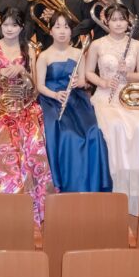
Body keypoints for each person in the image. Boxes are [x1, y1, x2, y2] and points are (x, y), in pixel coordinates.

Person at [0, 8, 55, 223]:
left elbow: (34, 86)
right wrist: (1, 72)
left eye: (14, 25)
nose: (9, 29)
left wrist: (22, 72)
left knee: (32, 142)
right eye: (6, 25)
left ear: (21, 27)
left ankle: (30, 204)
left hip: (23, 105)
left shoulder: (29, 49)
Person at [86, 4, 139, 215]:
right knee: (114, 126)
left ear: (128, 22)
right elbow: (88, 73)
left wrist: (127, 74)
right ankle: (116, 187)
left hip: (129, 95)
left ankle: (135, 190)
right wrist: (103, 82)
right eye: (114, 19)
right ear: (106, 21)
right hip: (106, 96)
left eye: (122, 19)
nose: (118, 23)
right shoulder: (97, 44)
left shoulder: (137, 45)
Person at [36, 12, 112, 193]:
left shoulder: (78, 53)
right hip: (52, 101)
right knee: (68, 134)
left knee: (93, 132)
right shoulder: (44, 56)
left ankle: (93, 185)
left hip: (76, 99)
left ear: (71, 31)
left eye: (66, 27)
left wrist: (80, 82)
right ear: (51, 31)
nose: (62, 31)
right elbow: (39, 86)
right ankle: (67, 185)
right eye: (57, 27)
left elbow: (83, 81)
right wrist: (55, 95)